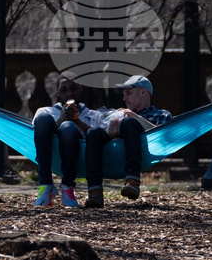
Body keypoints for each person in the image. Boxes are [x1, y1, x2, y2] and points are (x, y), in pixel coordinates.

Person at [84, 75, 172, 208]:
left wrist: (134, 117)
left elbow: (162, 136)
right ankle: (94, 191)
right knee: (93, 132)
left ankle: (133, 180)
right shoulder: (122, 114)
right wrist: (111, 128)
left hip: (140, 148)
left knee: (129, 122)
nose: (124, 99)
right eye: (124, 95)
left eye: (128, 93)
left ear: (143, 92)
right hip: (114, 151)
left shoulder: (161, 114)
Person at [32, 73, 107, 207]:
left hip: (80, 156)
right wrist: (61, 119)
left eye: (73, 88)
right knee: (44, 118)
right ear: (57, 92)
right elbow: (40, 137)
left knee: (68, 127)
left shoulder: (94, 115)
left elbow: (98, 139)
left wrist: (76, 121)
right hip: (53, 154)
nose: (69, 93)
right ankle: (46, 185)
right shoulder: (46, 112)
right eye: (64, 90)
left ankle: (67, 187)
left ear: (80, 88)